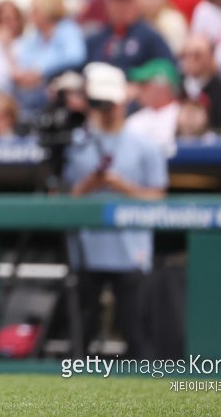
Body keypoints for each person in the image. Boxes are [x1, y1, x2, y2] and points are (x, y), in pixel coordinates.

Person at [64, 62, 167, 359]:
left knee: (135, 329)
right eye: (99, 102)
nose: (106, 109)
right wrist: (89, 185)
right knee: (82, 328)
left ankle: (142, 381)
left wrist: (124, 187)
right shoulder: (76, 143)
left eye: (111, 102)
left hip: (130, 248)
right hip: (86, 246)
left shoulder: (145, 145)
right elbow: (61, 196)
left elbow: (158, 197)